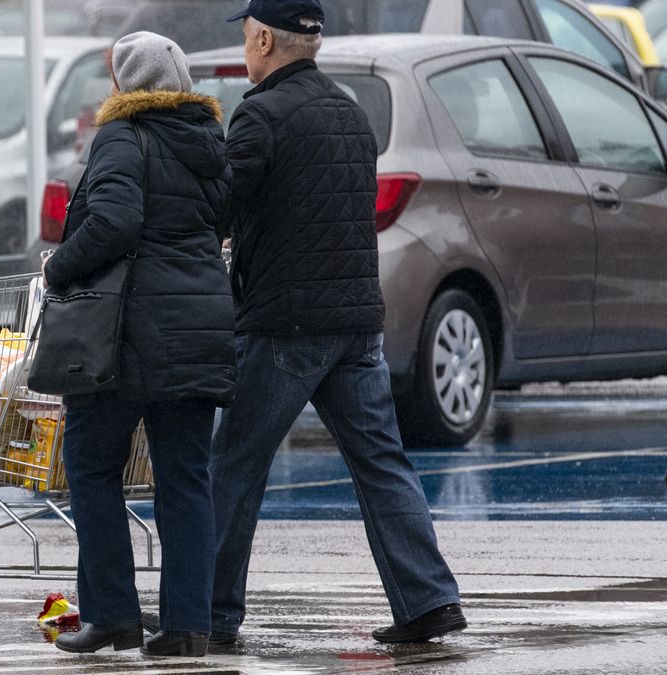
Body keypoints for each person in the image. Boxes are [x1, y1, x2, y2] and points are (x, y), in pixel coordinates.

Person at [206, 0, 465, 646]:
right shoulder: (350, 113)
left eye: (246, 35)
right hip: (356, 323)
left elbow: (220, 206)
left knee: (235, 463)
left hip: (283, 324)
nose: (245, 47)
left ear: (264, 38)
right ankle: (429, 598)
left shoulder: (260, 114)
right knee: (381, 461)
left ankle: (207, 611)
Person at [41, 31, 237, 657]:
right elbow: (223, 220)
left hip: (129, 332)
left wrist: (58, 267)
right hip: (200, 325)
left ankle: (114, 616)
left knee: (92, 463)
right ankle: (186, 628)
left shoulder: (123, 136)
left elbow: (115, 222)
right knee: (185, 476)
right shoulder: (208, 140)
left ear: (127, 82)